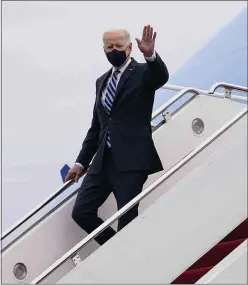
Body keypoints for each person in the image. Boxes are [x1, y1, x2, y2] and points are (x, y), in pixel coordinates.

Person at [65, 25, 169, 245]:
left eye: (119, 46)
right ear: (104, 50)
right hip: (102, 162)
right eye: (109, 46)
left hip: (132, 161)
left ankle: (128, 262)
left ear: (129, 48)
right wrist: (80, 163)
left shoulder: (142, 73)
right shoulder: (101, 81)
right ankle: (116, 248)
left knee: (127, 220)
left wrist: (150, 55)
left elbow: (160, 77)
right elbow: (97, 127)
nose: (114, 50)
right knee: (81, 211)